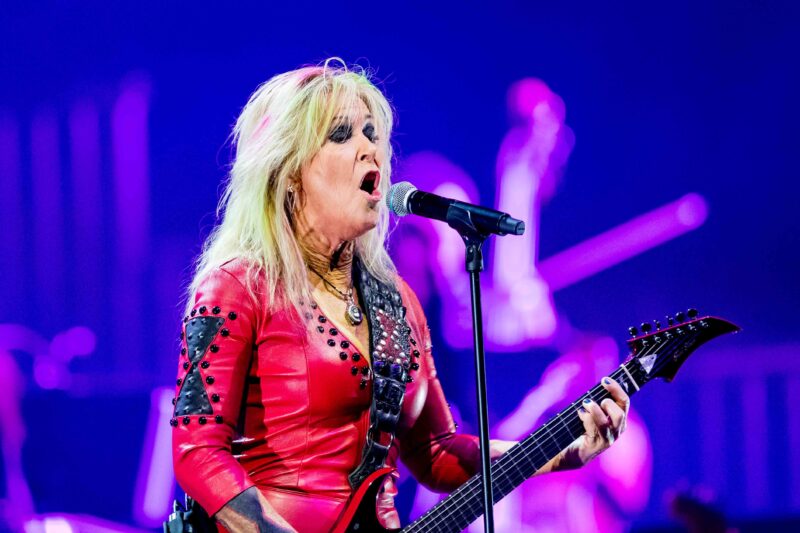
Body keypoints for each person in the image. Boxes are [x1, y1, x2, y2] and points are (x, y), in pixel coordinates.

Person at [171, 59, 630, 533]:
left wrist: (560, 452)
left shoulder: (397, 304)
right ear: (289, 171)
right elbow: (197, 452)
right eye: (342, 134)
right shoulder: (236, 287)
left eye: (372, 133)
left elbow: (437, 453)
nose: (369, 149)